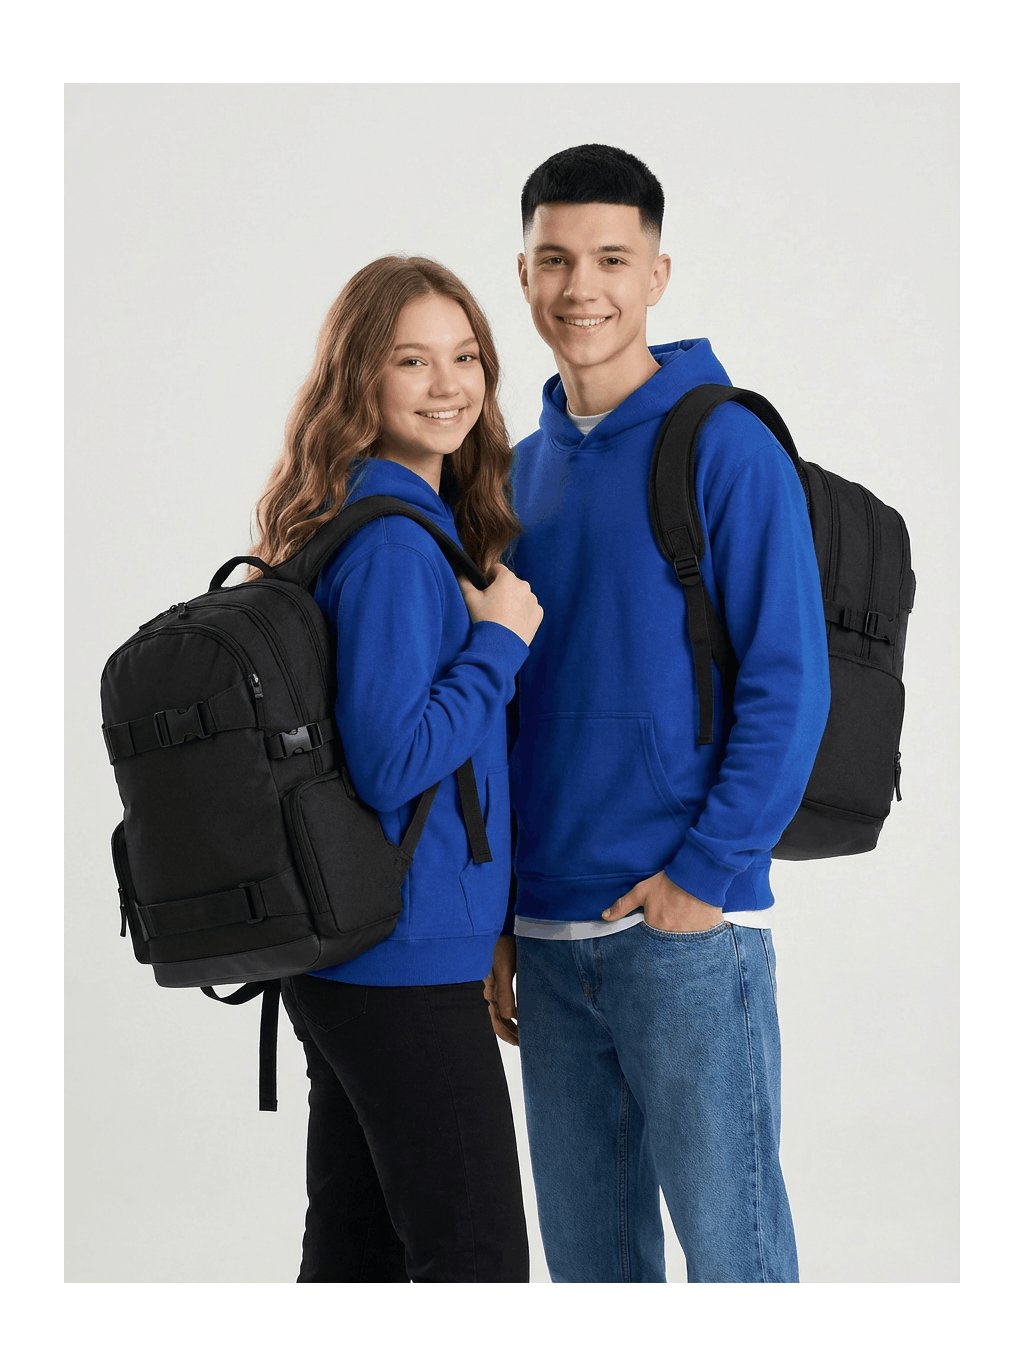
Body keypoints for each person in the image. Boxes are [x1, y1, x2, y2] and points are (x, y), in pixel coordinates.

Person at [484, 144, 831, 1283]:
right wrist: (499, 914)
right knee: (593, 1278)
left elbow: (789, 680)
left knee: (737, 1269)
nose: (580, 286)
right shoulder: (513, 475)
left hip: (683, 932)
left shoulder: (724, 445)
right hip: (547, 935)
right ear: (524, 274)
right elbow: (503, 711)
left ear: (656, 276)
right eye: (554, 259)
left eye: (610, 259)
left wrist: (706, 876)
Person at [250, 255, 542, 1283]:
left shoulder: (372, 519)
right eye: (411, 360)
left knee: (356, 1256)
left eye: (465, 357)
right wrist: (500, 644)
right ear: (359, 379)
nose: (447, 384)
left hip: (358, 951)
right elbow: (391, 762)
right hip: (403, 959)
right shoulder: (395, 548)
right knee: (475, 1266)